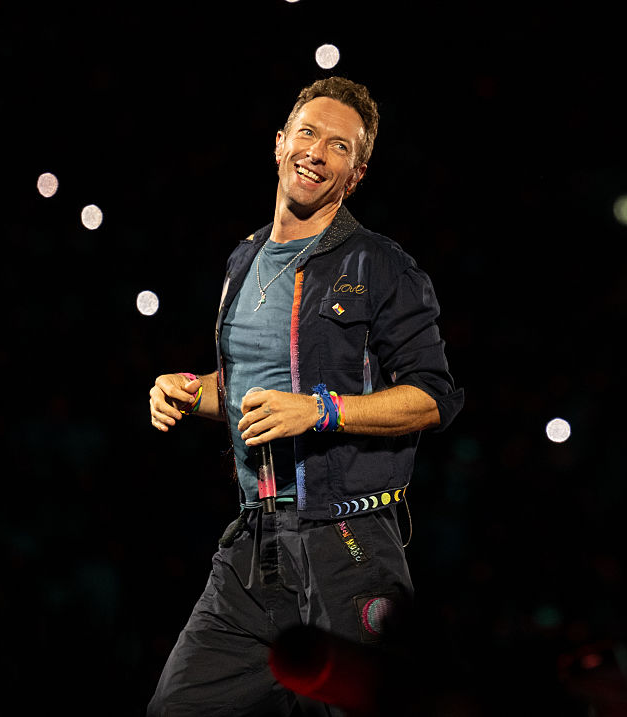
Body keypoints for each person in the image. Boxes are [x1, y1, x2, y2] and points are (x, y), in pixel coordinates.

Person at [146, 76, 463, 716]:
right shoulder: (244, 259)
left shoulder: (381, 266)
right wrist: (186, 393)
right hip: (254, 548)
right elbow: (246, 390)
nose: (317, 152)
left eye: (339, 146)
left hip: (348, 543)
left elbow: (433, 398)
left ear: (357, 173)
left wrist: (320, 409)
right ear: (280, 142)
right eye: (309, 134)